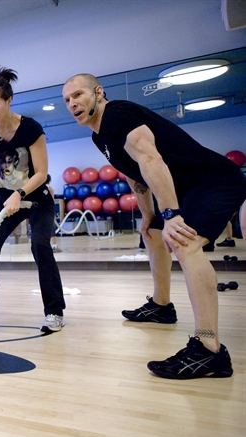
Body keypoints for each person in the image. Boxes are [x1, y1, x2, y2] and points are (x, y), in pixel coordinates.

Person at [62, 73, 246, 379]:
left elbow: (150, 159)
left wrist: (172, 214)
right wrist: (149, 216)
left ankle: (208, 349)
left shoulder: (118, 114)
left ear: (98, 92)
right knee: (154, 235)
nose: (72, 104)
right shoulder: (99, 135)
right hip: (180, 188)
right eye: (67, 100)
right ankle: (162, 307)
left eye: (78, 95)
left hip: (212, 181)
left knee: (185, 244)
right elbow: (134, 173)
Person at [0, 67, 66, 333]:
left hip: (36, 196)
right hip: (7, 200)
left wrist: (20, 194)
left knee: (40, 246)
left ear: (8, 101)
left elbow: (42, 173)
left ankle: (55, 312)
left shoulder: (31, 128)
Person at [46, 175, 60, 252]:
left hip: (44, 210)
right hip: (47, 211)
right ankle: (54, 246)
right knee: (51, 228)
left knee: (50, 228)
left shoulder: (48, 188)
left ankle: (53, 246)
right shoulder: (50, 189)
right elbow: (51, 200)